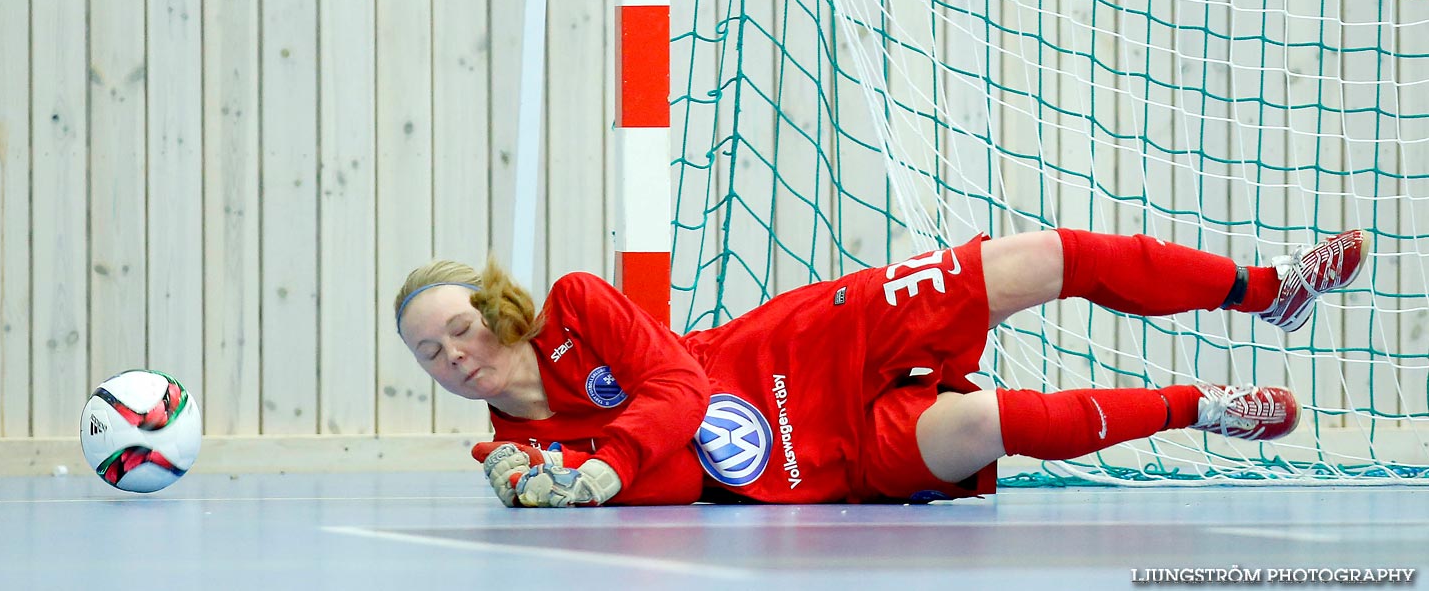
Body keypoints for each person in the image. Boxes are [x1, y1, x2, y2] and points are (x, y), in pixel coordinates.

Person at [393, 228, 1371, 507]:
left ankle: (1264, 287)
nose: (454, 356)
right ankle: (1202, 405)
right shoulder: (521, 447)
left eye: (457, 328)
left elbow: (681, 394)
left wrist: (603, 466)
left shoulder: (574, 305)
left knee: (1031, 260)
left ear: (493, 305)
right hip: (815, 464)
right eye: (430, 354)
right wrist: (544, 478)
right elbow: (681, 476)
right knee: (982, 426)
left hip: (795, 346)